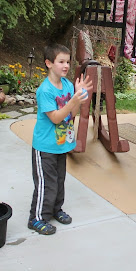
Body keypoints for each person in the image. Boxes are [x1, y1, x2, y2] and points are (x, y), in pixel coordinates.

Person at [28, 44, 92, 235]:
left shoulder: (67, 85)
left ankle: (55, 209)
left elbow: (71, 114)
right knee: (46, 183)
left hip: (60, 144)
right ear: (49, 63)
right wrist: (74, 99)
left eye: (68, 61)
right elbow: (55, 118)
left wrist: (79, 98)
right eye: (61, 61)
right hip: (45, 146)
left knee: (59, 180)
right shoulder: (45, 90)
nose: (66, 65)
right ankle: (37, 217)